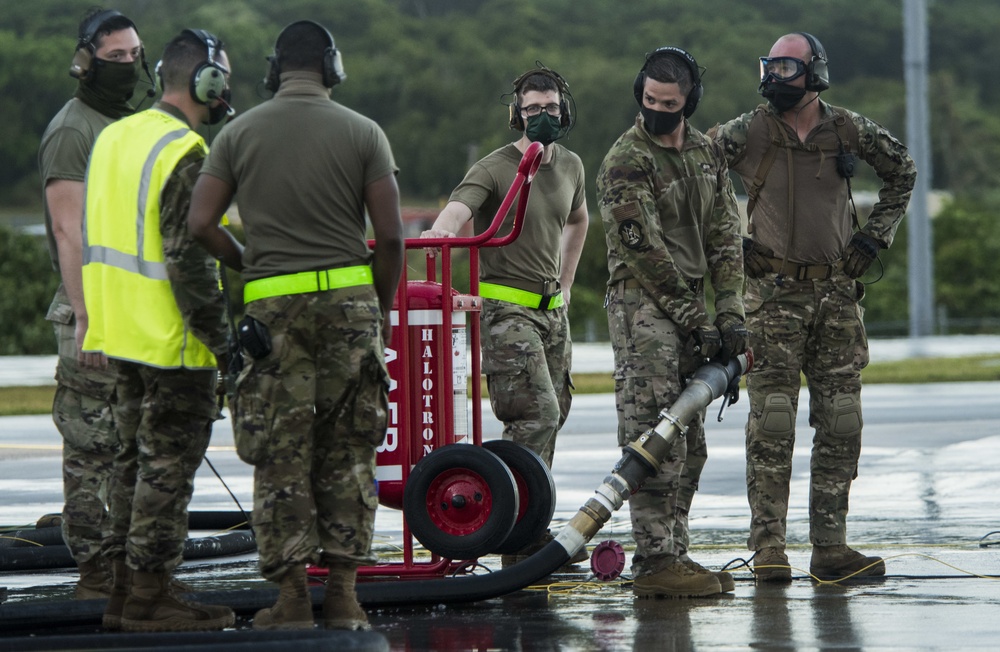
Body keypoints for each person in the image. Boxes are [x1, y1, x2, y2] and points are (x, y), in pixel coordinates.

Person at [187, 20, 403, 631]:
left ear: (273, 71)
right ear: (332, 69)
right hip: (350, 308)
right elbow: (389, 237)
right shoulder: (365, 132)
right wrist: (378, 311)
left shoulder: (238, 132)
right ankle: (344, 597)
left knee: (280, 455)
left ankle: (288, 602)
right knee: (349, 450)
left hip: (273, 314)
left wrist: (247, 263)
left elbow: (202, 222)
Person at [710, 32, 916, 582]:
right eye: (769, 65)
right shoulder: (748, 130)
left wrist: (875, 237)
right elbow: (694, 174)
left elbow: (903, 171)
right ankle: (770, 549)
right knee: (773, 423)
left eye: (785, 66)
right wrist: (733, 239)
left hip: (838, 297)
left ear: (814, 73)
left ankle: (831, 546)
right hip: (772, 297)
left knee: (843, 422)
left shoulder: (847, 128)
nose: (773, 76)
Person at [80, 28, 237, 631]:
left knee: (129, 465)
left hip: (122, 335)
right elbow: (189, 262)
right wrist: (225, 348)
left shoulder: (114, 138)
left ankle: (123, 592)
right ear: (209, 83)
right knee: (167, 471)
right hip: (172, 340)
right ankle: (151, 598)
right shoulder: (183, 151)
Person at [420, 65, 589, 567]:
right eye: (533, 109)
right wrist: (438, 236)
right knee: (534, 415)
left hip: (551, 310)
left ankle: (529, 523)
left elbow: (578, 219)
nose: (543, 117)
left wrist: (567, 282)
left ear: (564, 111)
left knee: (553, 415)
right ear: (517, 113)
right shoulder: (495, 168)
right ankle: (515, 535)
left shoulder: (571, 165)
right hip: (506, 309)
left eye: (551, 109)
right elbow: (458, 210)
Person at [597, 46, 747, 598]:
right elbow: (645, 252)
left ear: (690, 103)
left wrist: (730, 312)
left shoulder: (706, 153)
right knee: (654, 434)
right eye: (649, 100)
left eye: (669, 103)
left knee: (692, 441)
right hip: (644, 306)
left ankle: (676, 550)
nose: (656, 110)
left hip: (692, 308)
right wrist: (694, 320)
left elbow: (726, 236)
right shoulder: (625, 160)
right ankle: (655, 561)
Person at [37, 7, 151, 600]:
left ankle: (129, 571)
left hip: (135, 312)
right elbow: (67, 232)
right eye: (115, 58)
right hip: (93, 313)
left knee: (133, 444)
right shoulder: (73, 130)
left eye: (134, 55)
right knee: (91, 448)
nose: (128, 66)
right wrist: (88, 318)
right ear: (86, 63)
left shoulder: (132, 124)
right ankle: (94, 577)